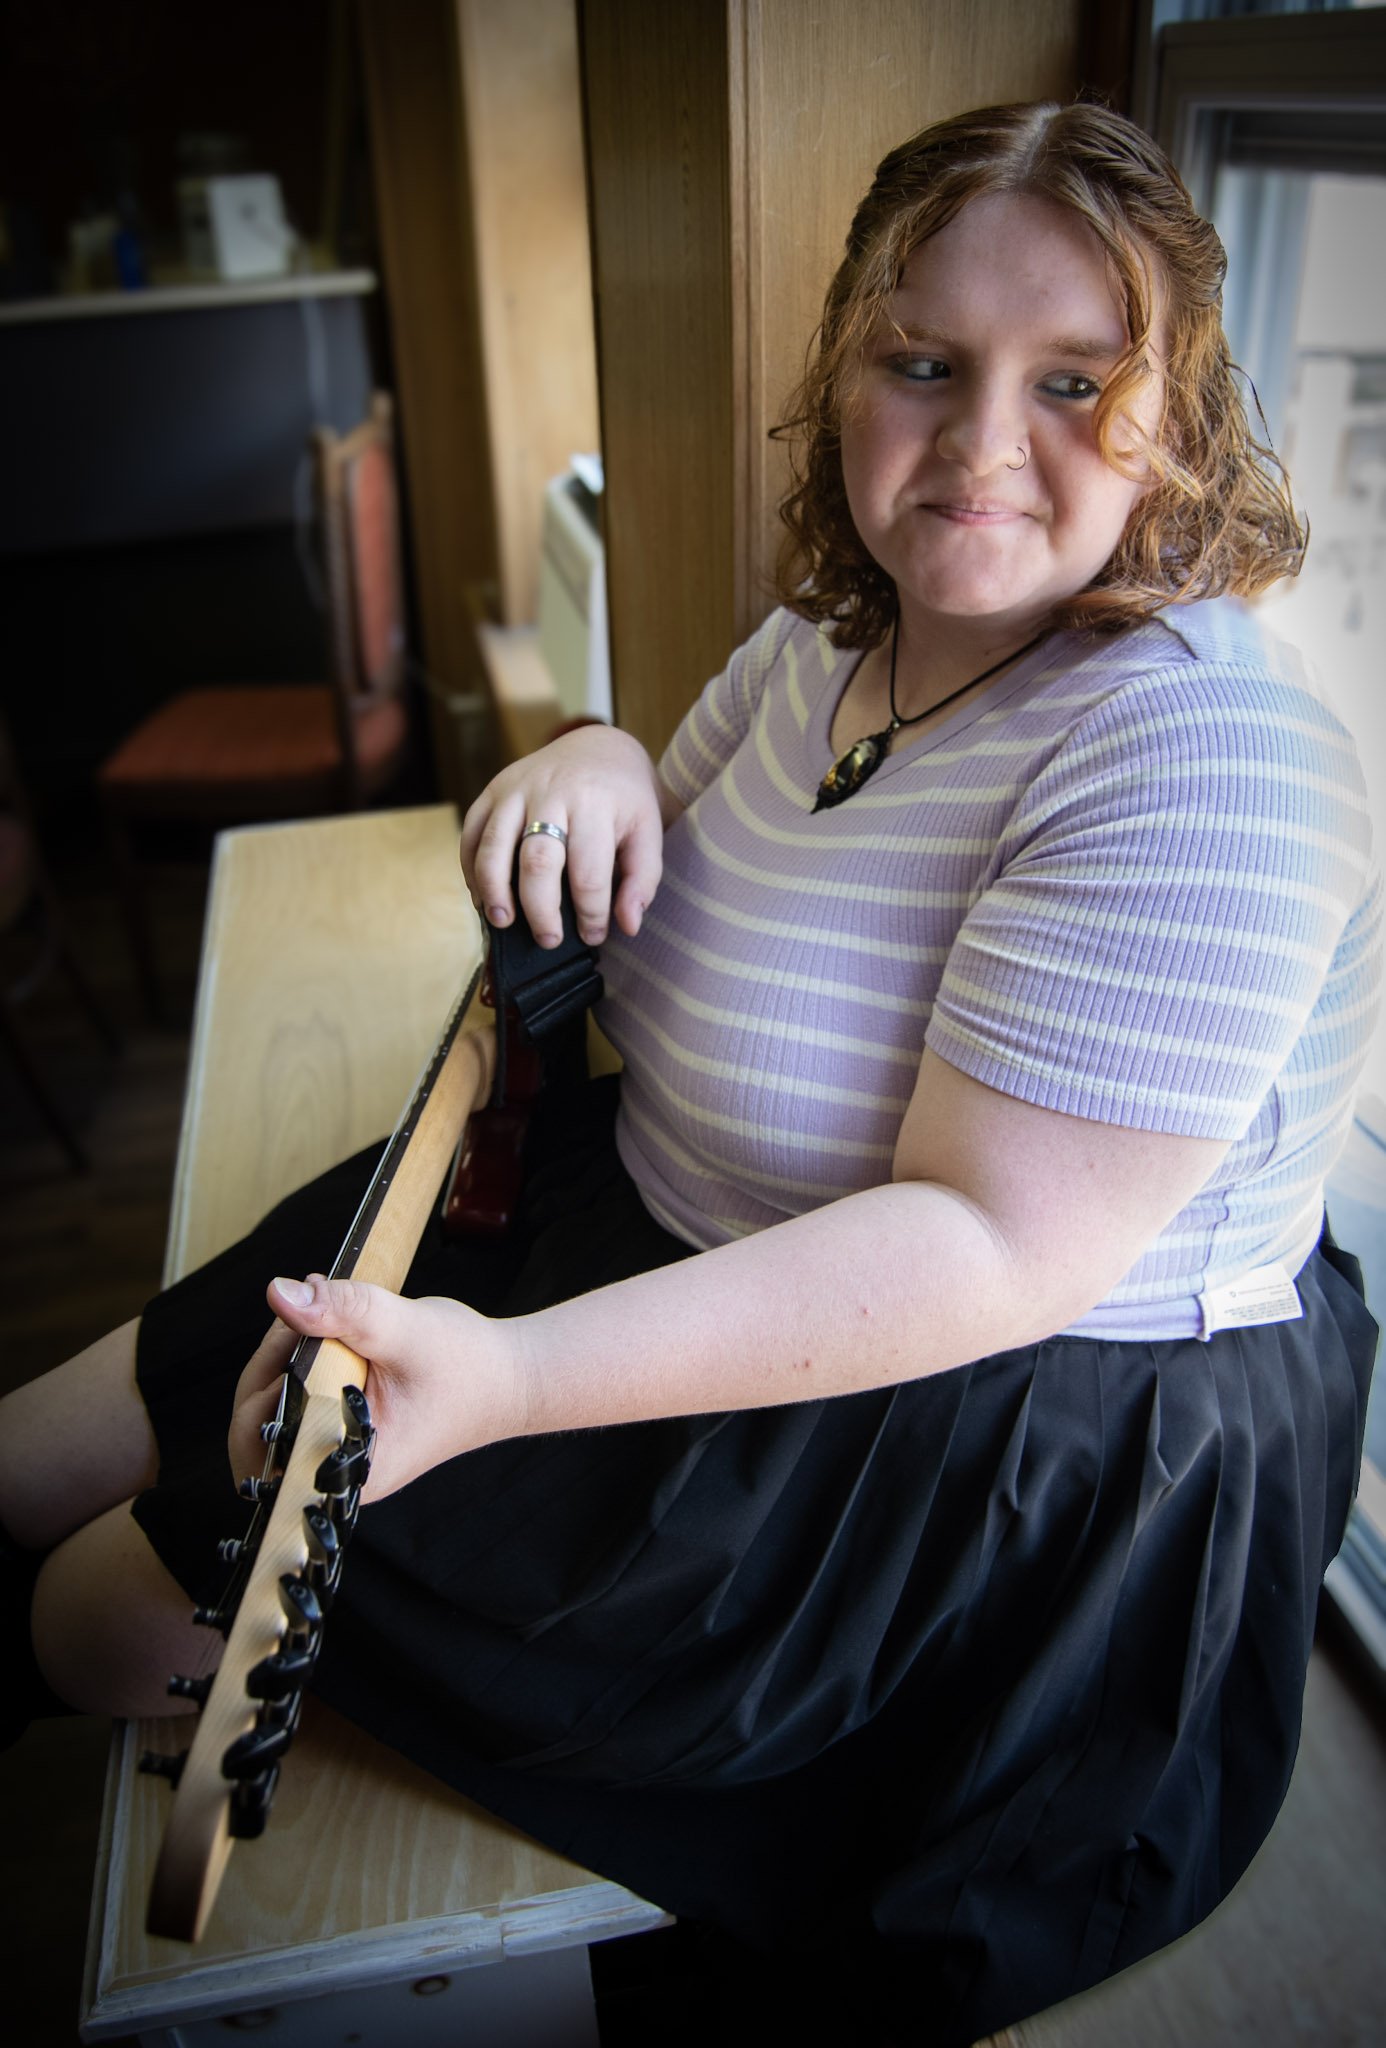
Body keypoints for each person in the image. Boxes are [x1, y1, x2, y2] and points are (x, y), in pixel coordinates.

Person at [2, 99, 1379, 2044]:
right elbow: (728, 846)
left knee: (90, 1608)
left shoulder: (1206, 762)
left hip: (938, 1437)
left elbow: (994, 1247)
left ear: (1186, 416)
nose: (985, 440)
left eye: (1078, 380)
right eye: (924, 363)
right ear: (843, 378)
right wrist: (599, 753)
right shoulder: (843, 636)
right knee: (36, 1452)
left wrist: (516, 1385)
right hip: (633, 1222)